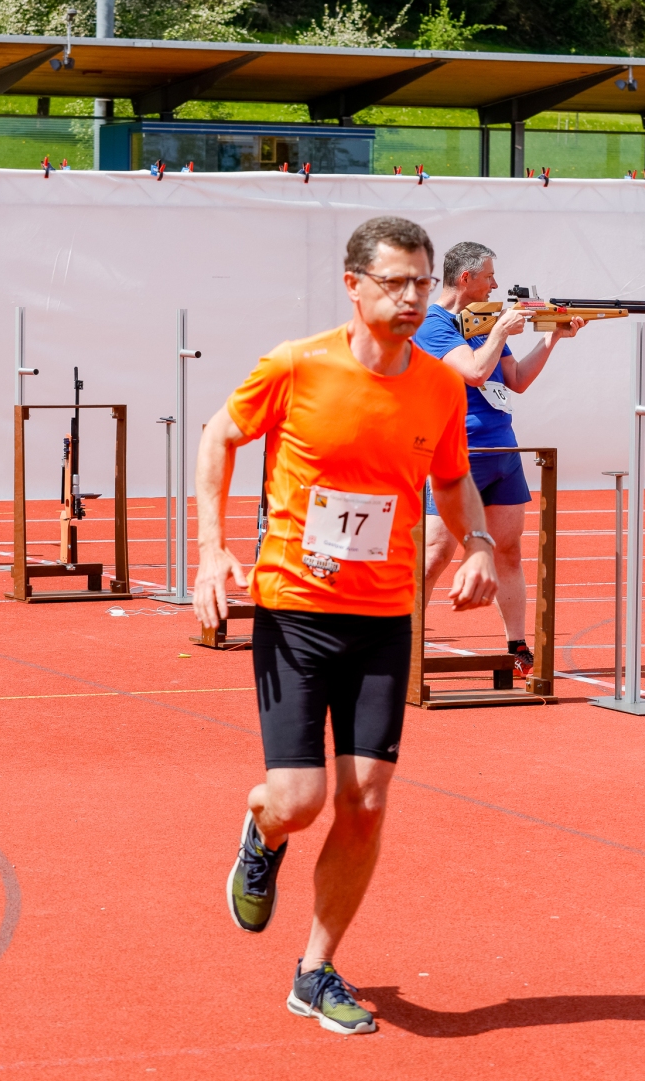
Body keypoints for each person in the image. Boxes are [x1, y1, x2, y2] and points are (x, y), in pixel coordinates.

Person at [192, 217, 498, 1036]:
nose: (411, 298)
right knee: (300, 800)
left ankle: (316, 969)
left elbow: (452, 479)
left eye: (422, 283)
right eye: (395, 283)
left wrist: (476, 542)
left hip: (384, 617)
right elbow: (219, 435)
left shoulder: (440, 386)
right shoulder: (296, 365)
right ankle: (264, 831)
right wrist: (212, 551)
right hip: (295, 611)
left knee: (365, 800)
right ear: (353, 285)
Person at [413, 242, 584, 677]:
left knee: (508, 552)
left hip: (502, 450)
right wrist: (501, 332)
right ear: (465, 278)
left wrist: (552, 338)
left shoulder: (482, 322)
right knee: (434, 555)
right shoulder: (433, 325)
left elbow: (517, 380)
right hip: (456, 453)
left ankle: (517, 646)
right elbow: (473, 372)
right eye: (488, 276)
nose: (495, 284)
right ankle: (401, 644)